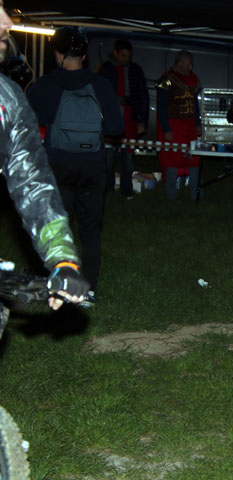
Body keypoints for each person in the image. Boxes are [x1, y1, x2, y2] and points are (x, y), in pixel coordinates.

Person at [0, 4, 89, 310]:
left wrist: (63, 260)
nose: (7, 21)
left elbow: (32, 182)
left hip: (59, 162)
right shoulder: (99, 84)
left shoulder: (9, 98)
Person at [27, 27, 123, 303]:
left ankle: (58, 287)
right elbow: (116, 127)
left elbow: (30, 123)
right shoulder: (100, 85)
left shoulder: (45, 85)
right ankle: (88, 291)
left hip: (58, 164)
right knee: (91, 232)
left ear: (57, 54)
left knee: (59, 229)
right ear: (83, 55)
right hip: (92, 166)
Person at [98, 39, 149, 199]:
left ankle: (127, 190)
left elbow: (143, 96)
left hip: (130, 115)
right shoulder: (106, 69)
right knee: (108, 156)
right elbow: (99, 94)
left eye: (128, 56)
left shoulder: (135, 70)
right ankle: (108, 190)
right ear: (116, 53)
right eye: (123, 55)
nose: (126, 59)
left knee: (128, 155)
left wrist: (143, 120)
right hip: (111, 115)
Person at [156, 50, 202, 200]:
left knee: (194, 158)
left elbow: (194, 104)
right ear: (180, 63)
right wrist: (166, 129)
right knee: (172, 159)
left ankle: (196, 193)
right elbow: (161, 106)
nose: (191, 67)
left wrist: (197, 123)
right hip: (174, 125)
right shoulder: (166, 79)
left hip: (189, 127)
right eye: (189, 64)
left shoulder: (193, 79)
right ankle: (171, 196)